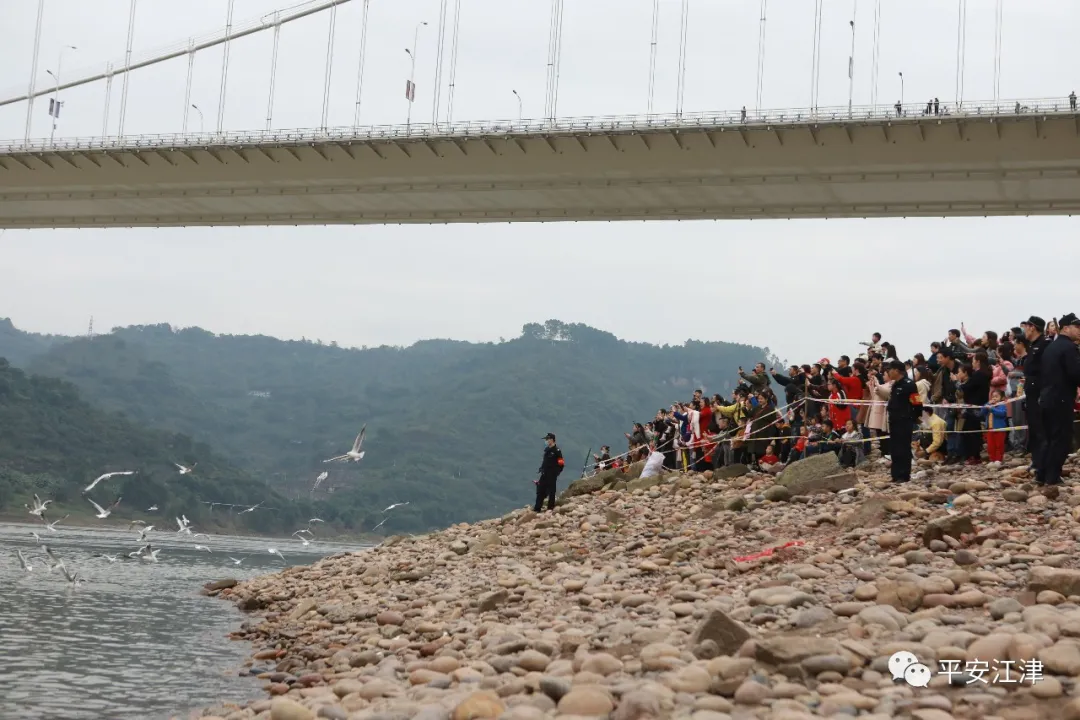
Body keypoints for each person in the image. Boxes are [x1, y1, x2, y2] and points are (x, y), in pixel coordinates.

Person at [1036, 313, 1080, 486]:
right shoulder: (1069, 348)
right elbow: (1075, 373)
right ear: (1066, 328)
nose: (1079, 331)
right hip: (1061, 398)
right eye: (1077, 327)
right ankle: (1052, 476)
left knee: (1048, 437)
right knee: (1061, 438)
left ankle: (1042, 473)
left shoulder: (1052, 346)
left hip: (1047, 397)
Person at [1022, 316, 1049, 471]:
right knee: (1034, 428)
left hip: (1039, 392)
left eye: (1026, 327)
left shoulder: (1044, 345)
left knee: (1041, 429)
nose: (1025, 330)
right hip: (1031, 393)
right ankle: (1037, 459)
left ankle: (1043, 463)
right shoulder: (1033, 346)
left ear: (1032, 327)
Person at [886, 359, 920, 482]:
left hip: (904, 420)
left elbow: (917, 402)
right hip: (894, 420)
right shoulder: (896, 384)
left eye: (890, 369)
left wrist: (915, 417)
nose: (888, 372)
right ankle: (895, 474)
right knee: (894, 448)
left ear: (896, 370)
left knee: (903, 448)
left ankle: (904, 475)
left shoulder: (909, 384)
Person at [534, 433, 565, 512]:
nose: (546, 441)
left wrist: (556, 472)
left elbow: (561, 463)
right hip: (544, 473)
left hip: (552, 474)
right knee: (540, 490)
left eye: (547, 439)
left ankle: (550, 508)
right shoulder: (547, 450)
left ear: (551, 439)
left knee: (551, 491)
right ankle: (537, 508)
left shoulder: (557, 451)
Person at [983, 390, 1009, 463]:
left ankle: (998, 460)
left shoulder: (1002, 405)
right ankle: (992, 459)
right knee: (990, 446)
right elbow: (982, 412)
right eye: (993, 396)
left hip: (999, 429)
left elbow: (1002, 414)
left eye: (996, 396)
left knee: (999, 445)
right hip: (989, 429)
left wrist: (992, 409)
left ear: (1002, 398)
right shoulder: (989, 405)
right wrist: (987, 404)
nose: (994, 398)